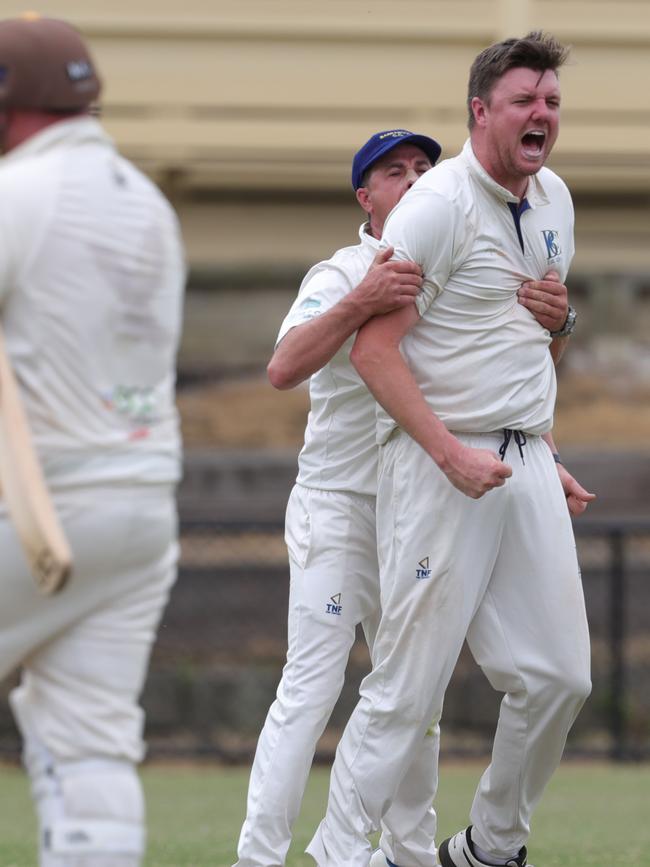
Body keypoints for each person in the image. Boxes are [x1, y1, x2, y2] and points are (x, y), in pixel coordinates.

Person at [235, 122, 583, 866]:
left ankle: (412, 851)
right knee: (313, 687)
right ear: (365, 197)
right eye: (394, 171)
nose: (416, 178)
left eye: (424, 165)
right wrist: (361, 301)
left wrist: (542, 451)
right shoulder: (343, 272)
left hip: (420, 494)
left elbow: (498, 376)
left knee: (414, 691)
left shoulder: (449, 252)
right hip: (340, 503)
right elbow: (283, 366)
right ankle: (260, 857)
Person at [307, 32, 594, 867]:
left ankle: (489, 847)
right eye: (523, 102)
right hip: (443, 465)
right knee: (410, 684)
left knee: (558, 678)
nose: (541, 115)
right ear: (481, 111)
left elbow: (531, 343)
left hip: (525, 459)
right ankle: (333, 854)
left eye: (551, 102)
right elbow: (372, 352)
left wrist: (561, 343)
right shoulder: (437, 203)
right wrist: (449, 454)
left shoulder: (556, 202)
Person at [0, 15, 185, 867]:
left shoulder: (20, 196)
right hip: (141, 508)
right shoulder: (146, 202)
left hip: (38, 505)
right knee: (90, 742)